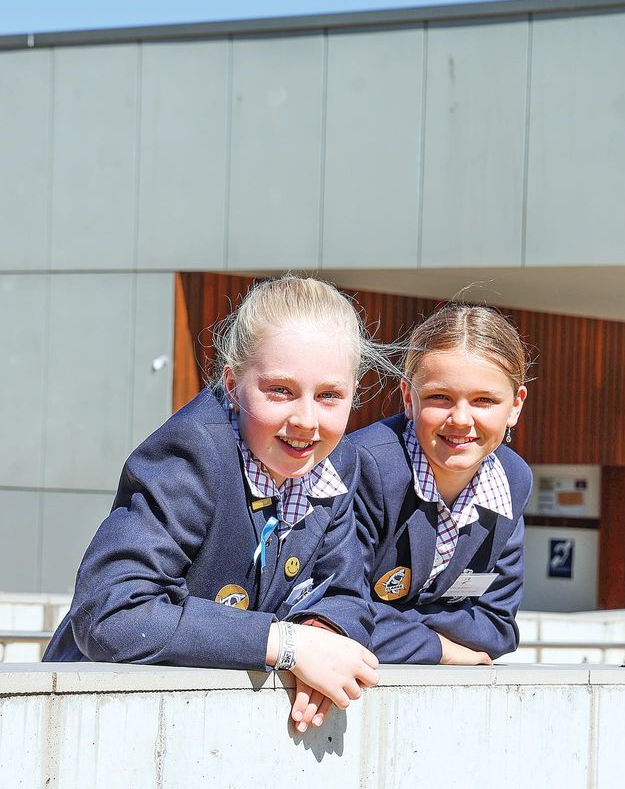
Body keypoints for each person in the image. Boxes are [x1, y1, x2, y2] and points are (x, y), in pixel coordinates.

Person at [44, 277, 379, 732]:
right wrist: (286, 643)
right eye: (279, 390)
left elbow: (346, 592)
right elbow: (110, 613)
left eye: (329, 396)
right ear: (232, 383)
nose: (305, 420)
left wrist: (322, 634)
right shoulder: (193, 453)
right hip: (97, 722)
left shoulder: (338, 460)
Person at [351, 304, 531, 664]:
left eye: (484, 401)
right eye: (439, 398)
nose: (461, 419)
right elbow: (340, 615)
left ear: (515, 406)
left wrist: (401, 620)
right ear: (407, 398)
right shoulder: (365, 467)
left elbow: (498, 629)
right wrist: (441, 648)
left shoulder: (513, 480)